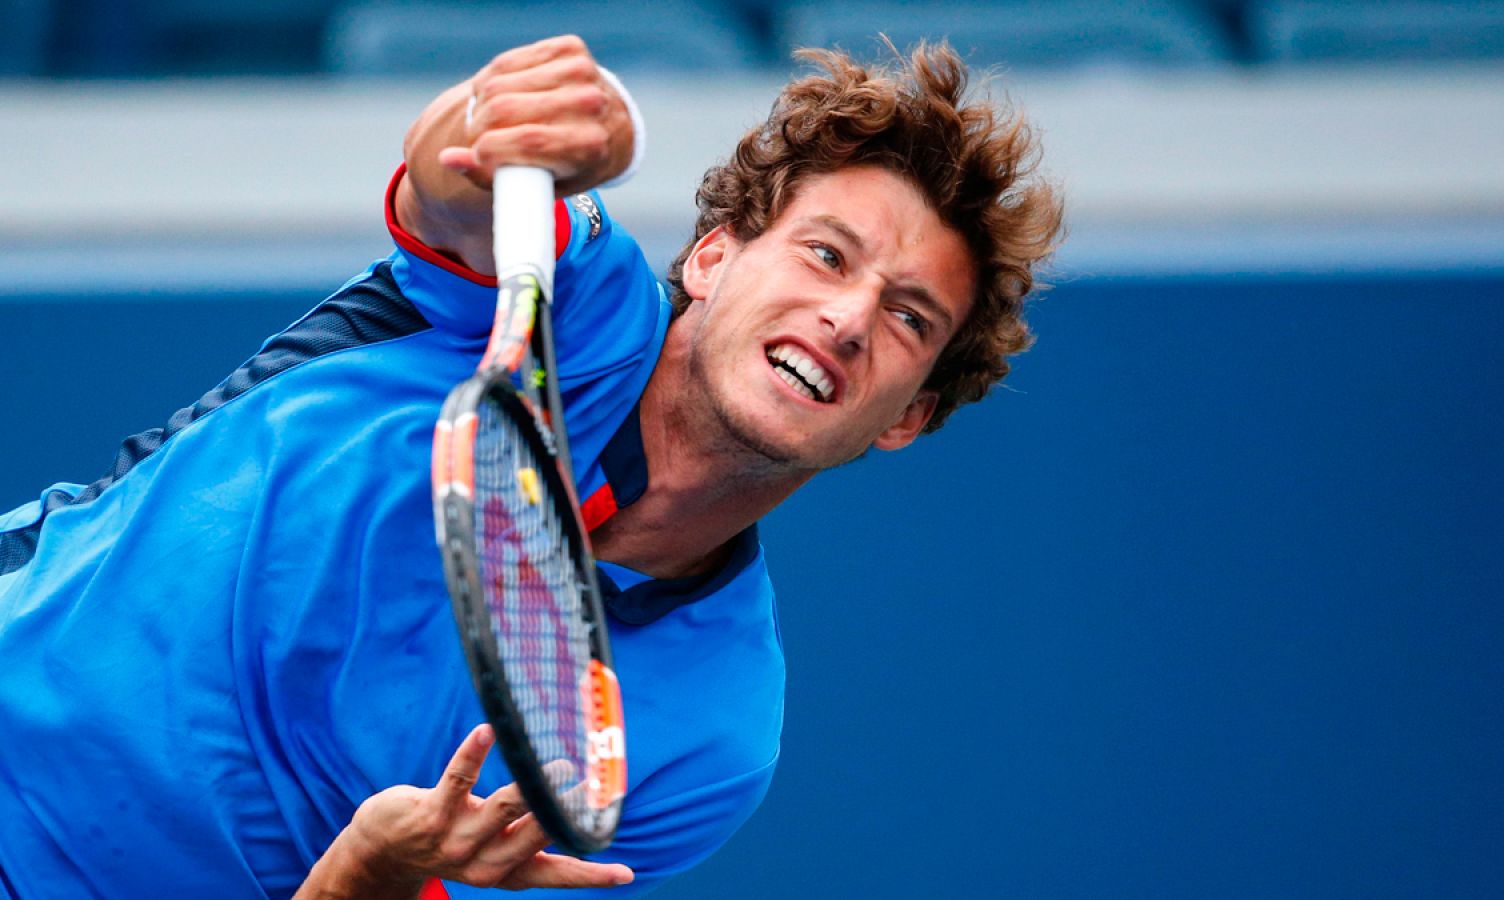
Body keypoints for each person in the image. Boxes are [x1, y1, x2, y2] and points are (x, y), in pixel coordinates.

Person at [0, 35, 1063, 898]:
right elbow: (456, 179)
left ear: (906, 418)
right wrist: (520, 118)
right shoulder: (568, 289)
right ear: (714, 254)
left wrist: (375, 867)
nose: (848, 317)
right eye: (826, 255)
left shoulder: (709, 735)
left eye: (908, 317)